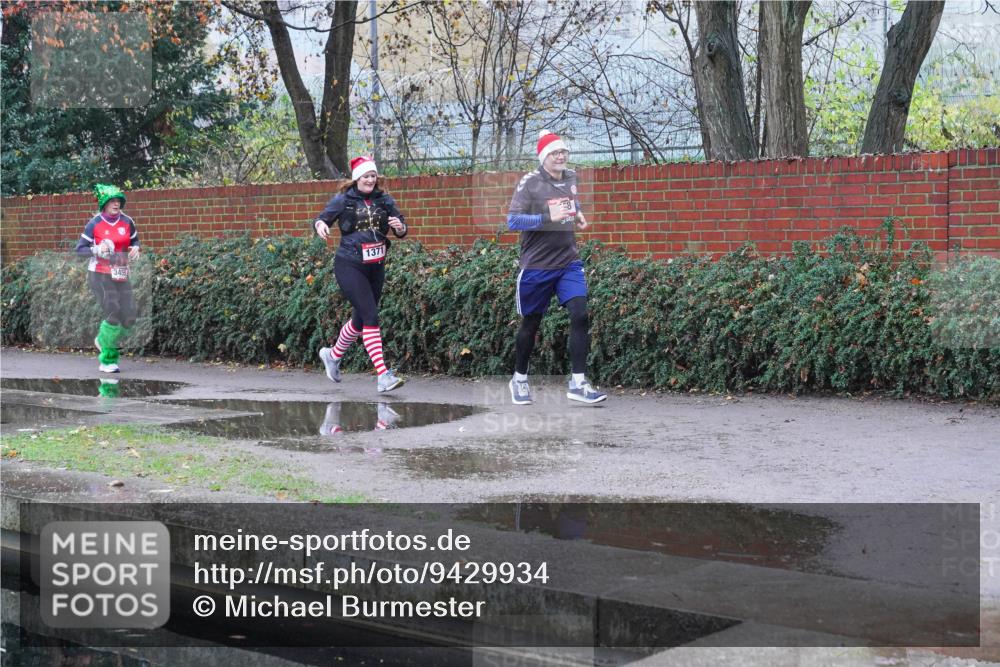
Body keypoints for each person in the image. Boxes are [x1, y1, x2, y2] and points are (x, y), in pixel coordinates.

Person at [506, 130, 607, 405]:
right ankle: (519, 379)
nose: (561, 156)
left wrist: (578, 213)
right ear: (544, 157)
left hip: (568, 262)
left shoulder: (571, 177)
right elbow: (513, 221)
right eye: (555, 153)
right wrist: (546, 217)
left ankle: (578, 383)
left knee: (580, 314)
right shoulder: (530, 182)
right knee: (531, 323)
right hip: (537, 266)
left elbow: (571, 202)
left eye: (563, 151)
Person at [314, 156, 407, 393]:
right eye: (366, 176)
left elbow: (401, 227)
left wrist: (400, 227)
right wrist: (321, 225)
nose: (370, 180)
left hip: (376, 266)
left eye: (373, 176)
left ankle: (332, 356)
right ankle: (383, 375)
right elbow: (322, 218)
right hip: (349, 265)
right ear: (357, 178)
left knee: (359, 320)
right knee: (371, 316)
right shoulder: (344, 200)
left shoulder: (384, 200)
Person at [74, 184, 140, 373]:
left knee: (129, 316)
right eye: (112, 201)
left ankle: (102, 340)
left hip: (121, 273)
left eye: (118, 201)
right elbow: (79, 250)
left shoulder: (127, 221)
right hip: (100, 274)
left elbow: (134, 240)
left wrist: (136, 248)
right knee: (113, 312)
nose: (116, 204)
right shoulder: (94, 224)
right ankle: (108, 360)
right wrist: (96, 249)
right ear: (104, 204)